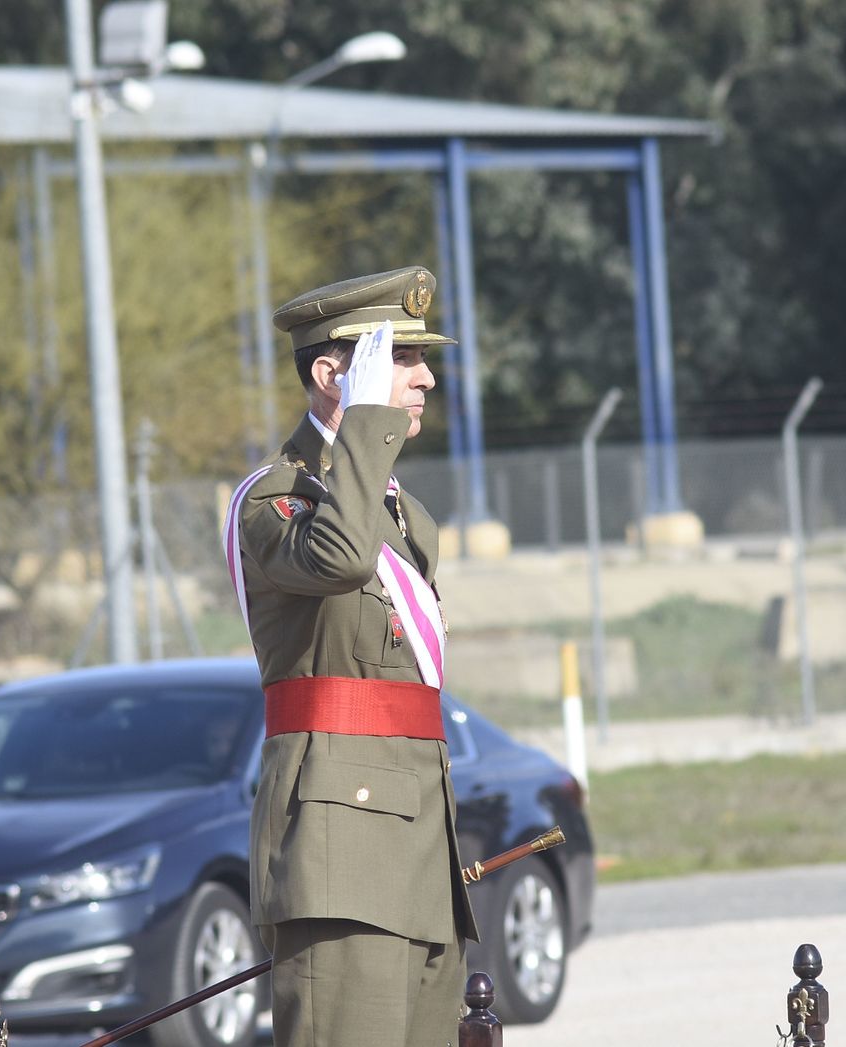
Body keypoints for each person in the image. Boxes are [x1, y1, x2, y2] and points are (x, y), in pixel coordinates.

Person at [222, 266, 477, 1047]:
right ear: (335, 374)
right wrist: (364, 424)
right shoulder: (277, 500)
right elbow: (339, 562)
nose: (426, 376)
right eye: (402, 357)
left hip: (420, 846)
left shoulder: (404, 512)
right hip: (340, 858)